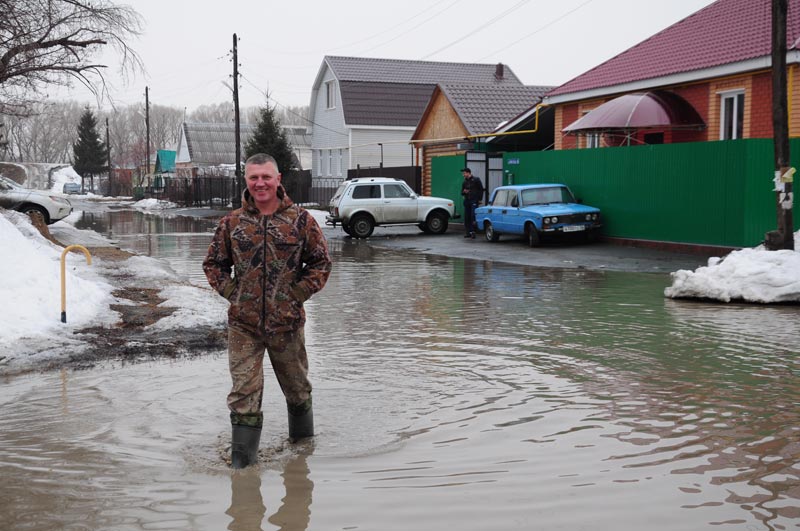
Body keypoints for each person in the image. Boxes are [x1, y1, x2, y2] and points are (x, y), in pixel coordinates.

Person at [203, 153, 332, 469]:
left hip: (286, 324)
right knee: (243, 395)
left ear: (278, 180)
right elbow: (213, 264)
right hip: (243, 326)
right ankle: (242, 469)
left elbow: (321, 263)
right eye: (253, 177)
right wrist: (234, 294)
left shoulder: (301, 221)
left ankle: (301, 461)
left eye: (266, 177)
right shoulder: (231, 223)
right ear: (246, 181)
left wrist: (296, 294)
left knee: (298, 391)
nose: (260, 183)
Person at [460, 167, 484, 238]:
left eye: (464, 173)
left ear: (468, 173)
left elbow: (481, 189)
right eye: (463, 173)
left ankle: (473, 231)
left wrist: (479, 199)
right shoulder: (464, 182)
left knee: (473, 216)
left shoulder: (476, 180)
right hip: (467, 201)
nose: (463, 175)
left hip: (474, 200)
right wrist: (464, 192)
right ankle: (468, 232)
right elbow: (461, 192)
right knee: (467, 217)